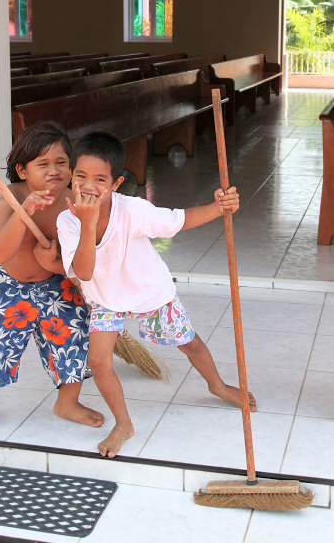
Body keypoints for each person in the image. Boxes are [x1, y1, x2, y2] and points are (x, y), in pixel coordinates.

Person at [57, 130, 256, 459]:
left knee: (190, 343)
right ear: (71, 177)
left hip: (150, 292)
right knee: (98, 361)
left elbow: (179, 220)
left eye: (99, 179)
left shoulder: (133, 210)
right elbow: (84, 272)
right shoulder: (68, 221)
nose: (88, 187)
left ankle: (217, 385)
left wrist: (219, 207)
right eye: (81, 177)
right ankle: (123, 423)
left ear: (117, 183)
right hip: (107, 298)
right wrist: (87, 224)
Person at [0, 122, 104, 436]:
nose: (54, 170)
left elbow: (83, 255)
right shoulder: (9, 199)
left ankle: (67, 403)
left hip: (54, 283)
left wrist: (62, 267)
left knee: (75, 337)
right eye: (42, 164)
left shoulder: (73, 203)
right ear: (21, 170)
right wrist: (24, 212)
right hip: (5, 283)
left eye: (61, 162)